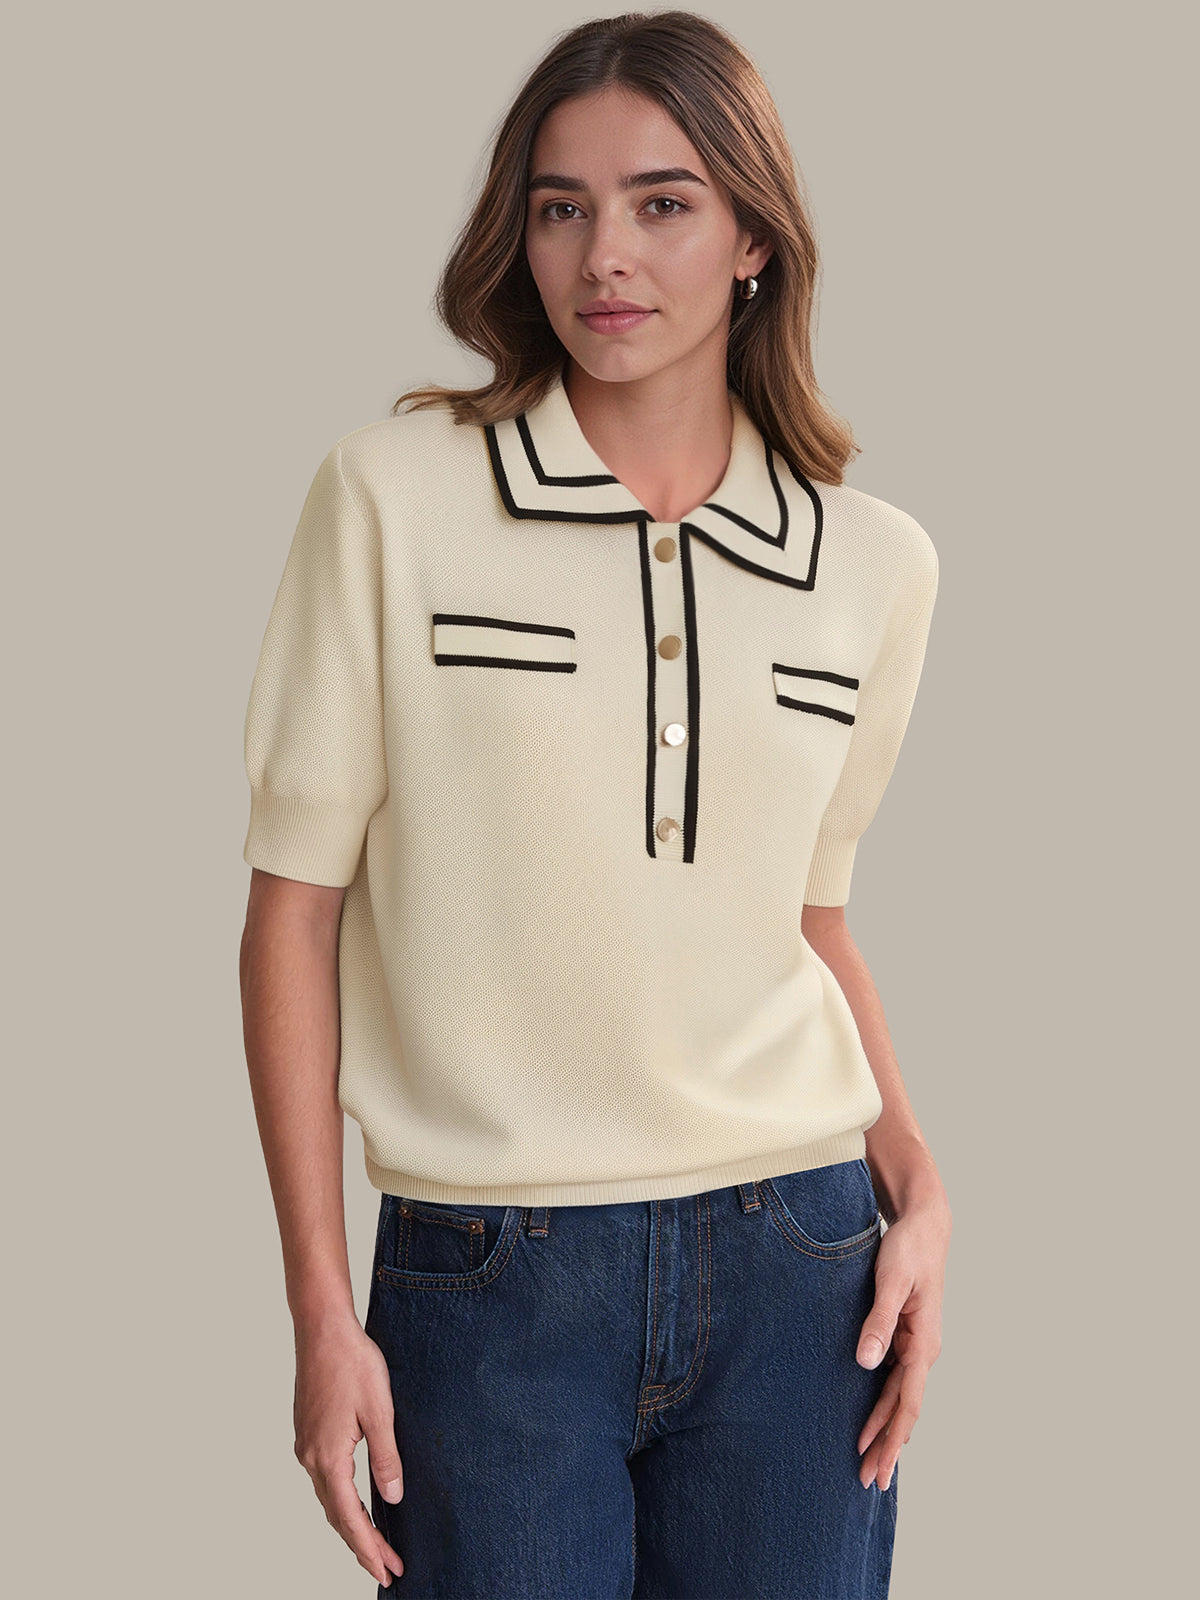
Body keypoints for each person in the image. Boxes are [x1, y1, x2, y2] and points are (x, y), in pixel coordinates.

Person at [238, 11, 952, 1597]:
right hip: (491, 1276)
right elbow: (293, 909)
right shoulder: (392, 499)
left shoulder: (874, 564)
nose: (603, 256)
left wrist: (921, 1181)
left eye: (662, 203)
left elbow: (812, 919)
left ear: (755, 239)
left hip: (804, 1265)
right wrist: (317, 1308)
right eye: (560, 207)